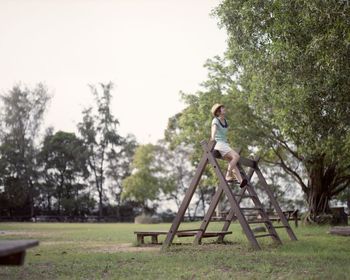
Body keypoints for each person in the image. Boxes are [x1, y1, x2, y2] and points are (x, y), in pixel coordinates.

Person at [210, 103, 247, 188]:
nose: (224, 108)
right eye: (222, 108)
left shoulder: (226, 121)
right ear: (218, 112)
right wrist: (212, 137)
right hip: (218, 144)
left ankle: (240, 180)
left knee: (232, 161)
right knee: (236, 156)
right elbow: (214, 129)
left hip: (224, 143)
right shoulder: (215, 120)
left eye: (223, 107)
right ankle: (228, 174)